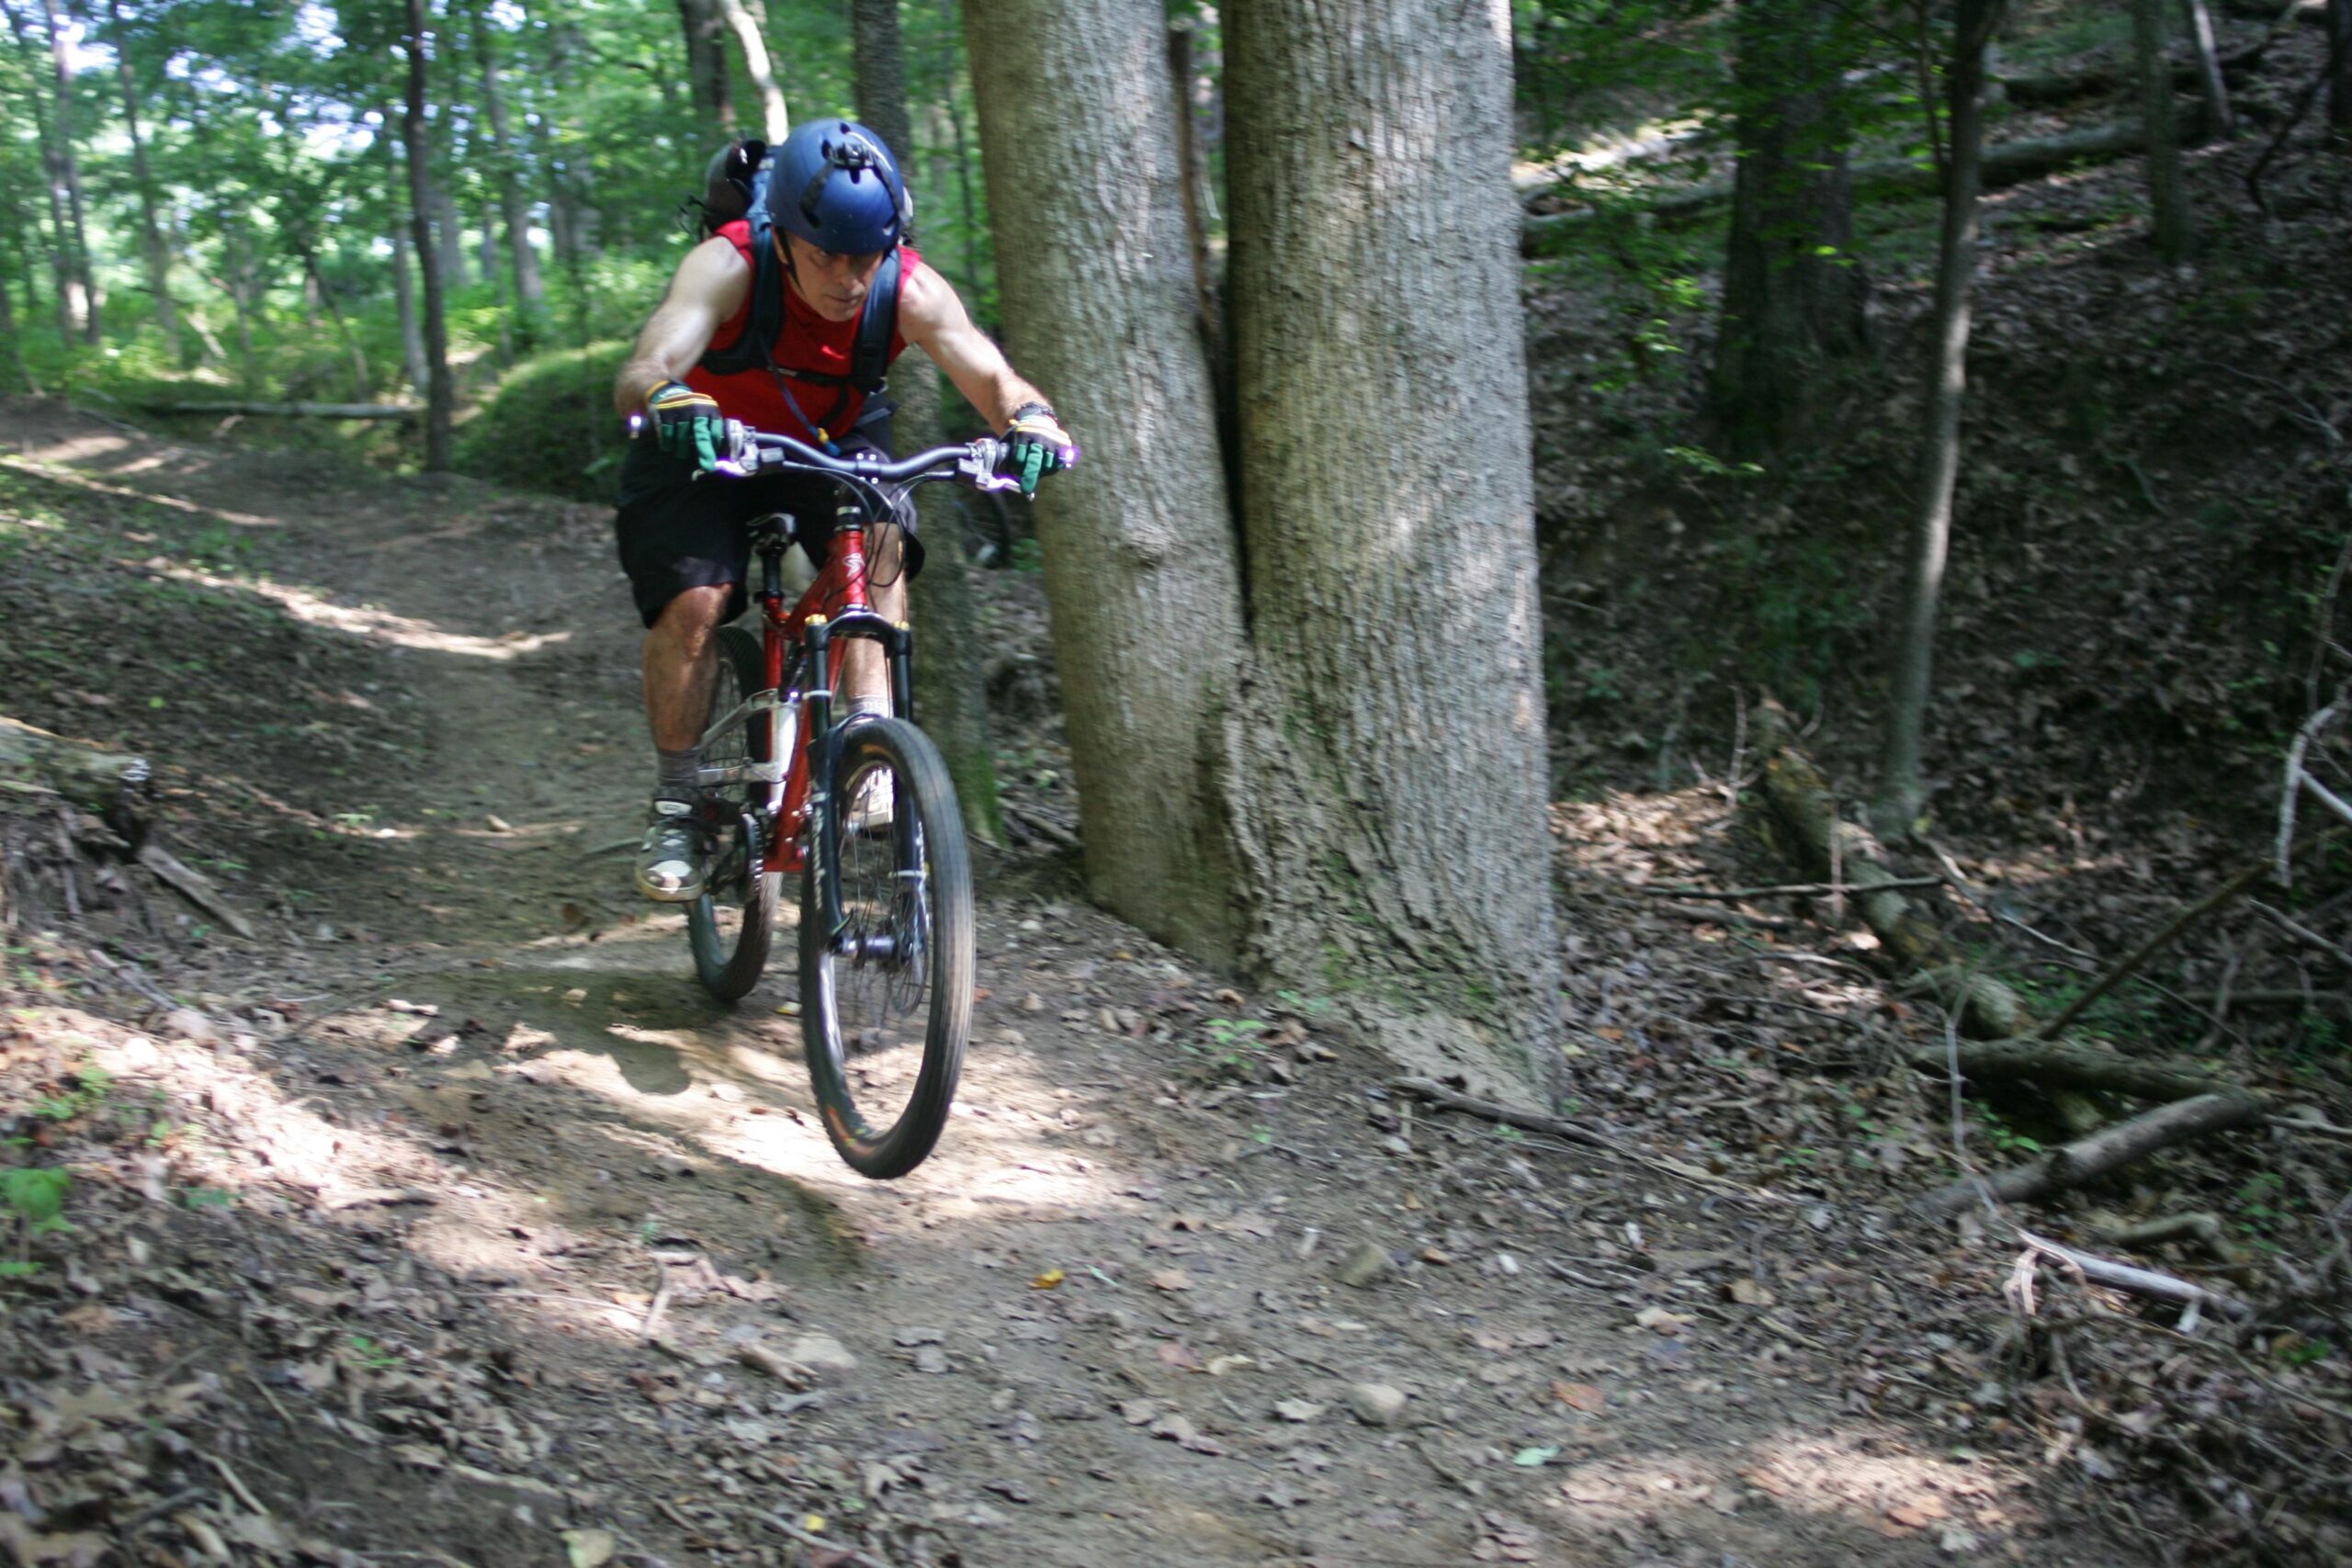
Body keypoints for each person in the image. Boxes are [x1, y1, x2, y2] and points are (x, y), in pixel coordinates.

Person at [611, 118, 1072, 902]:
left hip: (829, 433)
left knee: (883, 536)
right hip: (703, 437)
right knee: (696, 602)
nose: (848, 279)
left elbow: (995, 378)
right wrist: (667, 396)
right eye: (825, 254)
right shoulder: (727, 263)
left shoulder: (910, 286)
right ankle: (678, 802)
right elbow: (644, 366)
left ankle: (868, 742)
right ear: (784, 237)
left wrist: (1030, 420)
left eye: (865, 257)